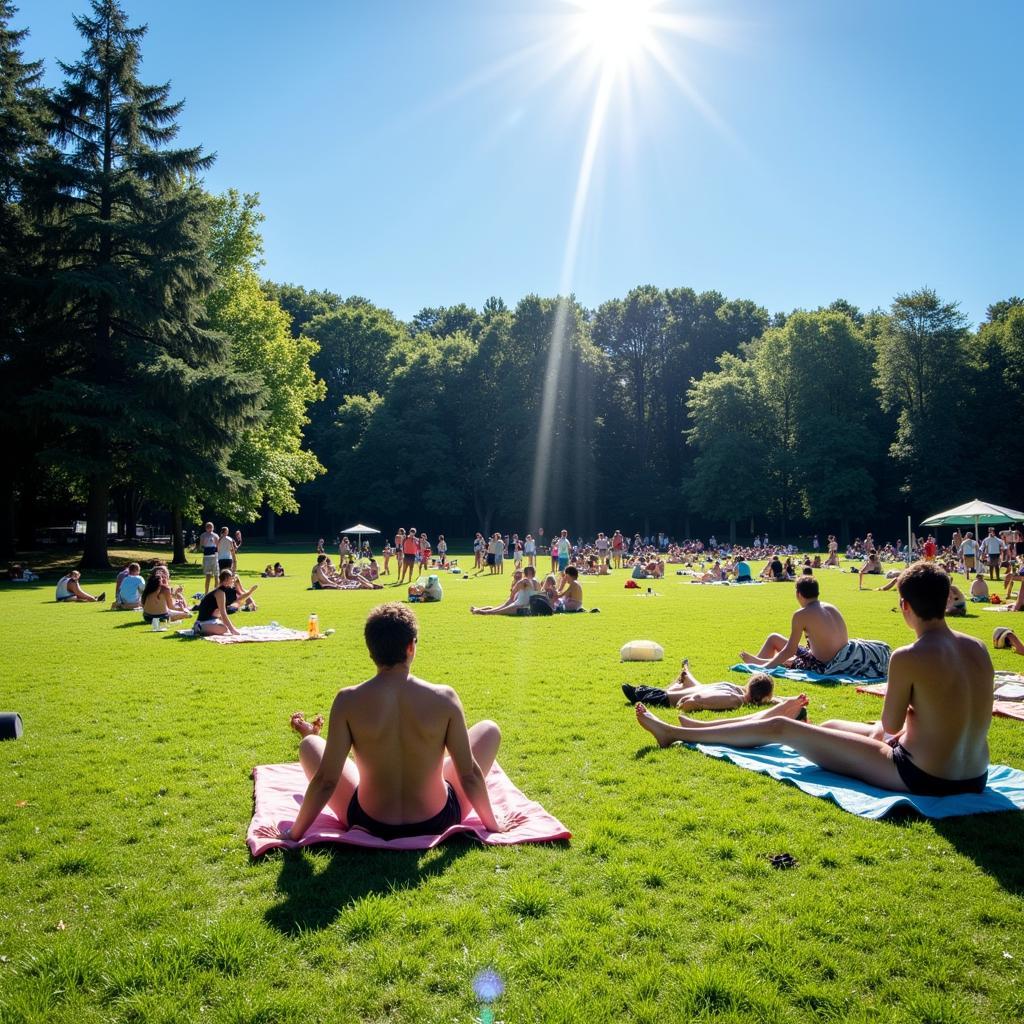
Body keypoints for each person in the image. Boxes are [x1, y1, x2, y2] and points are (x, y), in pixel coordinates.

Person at [635, 563, 992, 796]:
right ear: (947, 599)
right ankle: (697, 726)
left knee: (782, 726)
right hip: (975, 775)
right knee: (834, 723)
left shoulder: (909, 656)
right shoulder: (978, 648)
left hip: (924, 777)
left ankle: (677, 733)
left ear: (904, 606)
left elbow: (890, 724)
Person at [254, 603, 521, 842]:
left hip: (369, 821)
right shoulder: (444, 698)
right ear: (411, 646)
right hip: (438, 818)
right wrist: (492, 825)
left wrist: (294, 833)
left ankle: (314, 737)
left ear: (371, 651)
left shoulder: (348, 700)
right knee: (488, 730)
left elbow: (326, 780)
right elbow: (469, 774)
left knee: (310, 744)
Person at [740, 576, 891, 679]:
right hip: (845, 654)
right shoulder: (830, 606)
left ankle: (760, 668)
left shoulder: (801, 614)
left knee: (785, 655)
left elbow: (790, 650)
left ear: (798, 594)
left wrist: (766, 668)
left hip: (824, 664)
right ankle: (760, 663)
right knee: (774, 638)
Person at [622, 659, 777, 711]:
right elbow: (700, 699)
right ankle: (683, 677)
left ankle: (683, 677)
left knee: (685, 681)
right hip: (659, 698)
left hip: (659, 694)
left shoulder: (732, 688)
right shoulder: (735, 699)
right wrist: (689, 704)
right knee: (635, 695)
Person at [194, 569, 245, 637]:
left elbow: (220, 614)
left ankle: (202, 628)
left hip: (211, 620)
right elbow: (223, 613)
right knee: (224, 629)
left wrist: (231, 628)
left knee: (225, 628)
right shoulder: (219, 592)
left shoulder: (221, 591)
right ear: (226, 579)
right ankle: (199, 628)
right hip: (203, 622)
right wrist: (233, 630)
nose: (233, 581)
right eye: (231, 579)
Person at [471, 567, 537, 615]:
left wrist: (510, 600)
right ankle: (479, 610)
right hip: (519, 604)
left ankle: (478, 611)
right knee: (498, 609)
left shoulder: (524, 582)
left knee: (497, 611)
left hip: (520, 605)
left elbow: (513, 595)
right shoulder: (534, 581)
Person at [199, 522, 219, 594]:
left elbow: (218, 546)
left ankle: (216, 592)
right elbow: (201, 546)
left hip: (214, 557)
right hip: (207, 557)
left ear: (213, 528)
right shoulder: (203, 535)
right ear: (206, 528)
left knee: (216, 575)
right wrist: (205, 544)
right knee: (208, 576)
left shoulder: (216, 535)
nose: (210, 529)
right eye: (208, 527)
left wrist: (215, 546)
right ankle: (206, 593)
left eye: (211, 527)